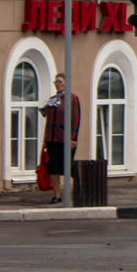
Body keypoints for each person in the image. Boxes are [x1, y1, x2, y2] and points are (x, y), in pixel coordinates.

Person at [40, 73, 80, 205]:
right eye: (56, 82)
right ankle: (57, 195)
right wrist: (45, 140)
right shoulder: (53, 99)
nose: (57, 84)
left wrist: (73, 138)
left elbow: (75, 118)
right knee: (53, 168)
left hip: (65, 139)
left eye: (60, 82)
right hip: (52, 139)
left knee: (67, 167)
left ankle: (79, 191)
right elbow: (49, 119)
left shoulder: (72, 99)